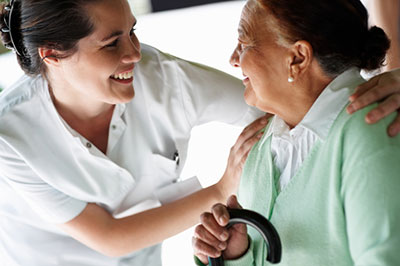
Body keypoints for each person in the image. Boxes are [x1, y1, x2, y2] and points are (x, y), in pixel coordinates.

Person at [0, 0, 398, 265]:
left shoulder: (358, 131)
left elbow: (282, 98)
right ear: (52, 54)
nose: (135, 52)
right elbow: (111, 237)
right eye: (110, 43)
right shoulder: (10, 133)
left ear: (297, 57)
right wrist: (234, 245)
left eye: (132, 31)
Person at [192, 0, 400, 265]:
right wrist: (234, 255)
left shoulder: (372, 127)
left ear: (297, 58)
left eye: (245, 44)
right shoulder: (259, 146)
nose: (234, 59)